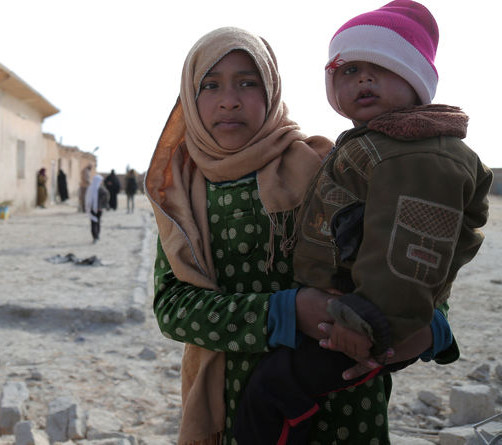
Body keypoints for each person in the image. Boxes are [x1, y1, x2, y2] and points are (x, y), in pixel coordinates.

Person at [146, 26, 456, 445]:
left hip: (348, 404)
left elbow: (418, 263)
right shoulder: (183, 196)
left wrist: (432, 329)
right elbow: (173, 306)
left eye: (247, 82)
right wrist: (286, 313)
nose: (229, 99)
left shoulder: (336, 167)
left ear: (271, 89)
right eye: (210, 85)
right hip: (243, 404)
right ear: (189, 96)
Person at [233, 0, 492, 445]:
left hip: (363, 320)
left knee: (270, 397)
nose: (364, 79)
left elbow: (409, 251)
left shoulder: (418, 154)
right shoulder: (381, 144)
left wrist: (369, 323)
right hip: (356, 314)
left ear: (416, 81)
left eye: (382, 68)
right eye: (349, 71)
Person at [85, 174, 109, 243]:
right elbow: (88, 198)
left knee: (96, 222)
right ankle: (96, 236)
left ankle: (96, 236)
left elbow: (106, 196)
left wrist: (101, 204)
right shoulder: (98, 188)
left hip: (97, 209)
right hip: (94, 209)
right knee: (95, 222)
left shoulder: (95, 188)